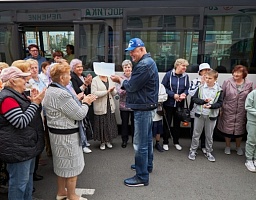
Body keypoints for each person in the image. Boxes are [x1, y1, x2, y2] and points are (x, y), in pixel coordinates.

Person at [42, 62, 97, 200]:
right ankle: (72, 196)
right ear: (61, 78)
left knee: (62, 166)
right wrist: (86, 102)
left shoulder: (51, 89)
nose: (70, 77)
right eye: (68, 75)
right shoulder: (62, 94)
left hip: (57, 135)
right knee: (72, 168)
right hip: (67, 136)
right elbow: (79, 114)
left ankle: (61, 192)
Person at [111, 37, 159, 187]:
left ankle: (141, 176)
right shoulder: (147, 62)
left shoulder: (143, 65)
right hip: (147, 106)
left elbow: (131, 86)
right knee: (147, 140)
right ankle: (146, 166)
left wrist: (120, 80)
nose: (131, 54)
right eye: (130, 52)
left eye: (133, 51)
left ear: (142, 49)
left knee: (140, 144)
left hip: (142, 108)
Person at [0, 66, 45, 200]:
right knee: (19, 183)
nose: (26, 80)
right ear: (13, 81)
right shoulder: (7, 98)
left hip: (25, 146)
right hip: (17, 148)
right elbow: (21, 122)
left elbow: (31, 115)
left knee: (27, 179)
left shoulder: (18, 95)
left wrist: (34, 101)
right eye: (22, 77)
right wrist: (35, 103)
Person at [217, 65, 253, 155]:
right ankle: (227, 146)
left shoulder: (249, 84)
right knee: (227, 129)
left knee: (240, 130)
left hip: (242, 110)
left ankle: (238, 147)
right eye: (235, 72)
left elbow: (251, 98)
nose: (236, 74)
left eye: (239, 72)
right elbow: (222, 95)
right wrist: (221, 108)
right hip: (228, 109)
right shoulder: (227, 82)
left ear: (244, 74)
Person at [188, 70, 223, 162]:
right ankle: (193, 150)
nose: (207, 80)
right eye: (206, 78)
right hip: (200, 114)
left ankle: (208, 151)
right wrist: (203, 101)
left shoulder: (219, 90)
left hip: (211, 115)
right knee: (196, 133)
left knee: (209, 135)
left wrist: (211, 106)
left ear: (215, 79)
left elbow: (220, 103)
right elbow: (194, 99)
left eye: (210, 78)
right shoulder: (200, 87)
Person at [161, 58, 189, 151]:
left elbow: (187, 88)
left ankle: (176, 142)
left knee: (177, 124)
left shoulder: (186, 76)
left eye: (186, 66)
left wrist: (184, 94)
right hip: (168, 103)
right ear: (177, 65)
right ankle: (165, 142)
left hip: (179, 104)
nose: (185, 68)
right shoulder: (168, 74)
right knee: (167, 123)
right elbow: (163, 87)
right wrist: (173, 95)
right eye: (183, 65)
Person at [70, 59, 93, 153]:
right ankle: (82, 144)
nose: (80, 68)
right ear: (73, 68)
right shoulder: (72, 77)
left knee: (85, 122)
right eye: (78, 67)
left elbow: (87, 89)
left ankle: (85, 140)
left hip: (85, 101)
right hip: (78, 103)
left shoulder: (83, 76)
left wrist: (89, 84)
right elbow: (76, 91)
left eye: (81, 66)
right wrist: (85, 84)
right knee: (81, 124)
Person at [189, 63, 212, 154]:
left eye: (208, 70)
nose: (206, 72)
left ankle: (203, 146)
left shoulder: (213, 81)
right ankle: (194, 146)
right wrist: (201, 84)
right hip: (196, 109)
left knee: (206, 130)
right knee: (195, 129)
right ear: (200, 72)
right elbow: (191, 93)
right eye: (204, 70)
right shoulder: (195, 81)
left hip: (208, 109)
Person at [91, 74, 118, 150]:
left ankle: (108, 141)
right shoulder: (95, 79)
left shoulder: (110, 78)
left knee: (109, 122)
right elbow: (94, 93)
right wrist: (107, 91)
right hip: (100, 106)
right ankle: (102, 142)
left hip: (110, 105)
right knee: (102, 123)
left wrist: (112, 91)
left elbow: (114, 93)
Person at [116, 59, 134, 148]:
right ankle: (124, 140)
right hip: (124, 106)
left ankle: (135, 140)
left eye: (129, 67)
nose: (127, 69)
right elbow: (119, 92)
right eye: (125, 67)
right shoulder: (120, 78)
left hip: (134, 105)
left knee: (135, 124)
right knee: (124, 124)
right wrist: (128, 88)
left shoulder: (135, 77)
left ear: (131, 68)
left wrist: (126, 88)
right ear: (123, 69)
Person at [153, 83, 168, 152]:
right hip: (147, 111)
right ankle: (147, 144)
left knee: (158, 130)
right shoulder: (145, 83)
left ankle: (157, 143)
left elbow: (165, 97)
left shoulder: (160, 85)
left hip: (158, 110)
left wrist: (154, 98)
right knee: (147, 129)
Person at [244, 89, 256, 172]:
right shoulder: (253, 93)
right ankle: (249, 159)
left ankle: (255, 158)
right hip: (253, 121)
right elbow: (248, 106)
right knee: (251, 140)